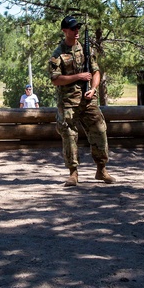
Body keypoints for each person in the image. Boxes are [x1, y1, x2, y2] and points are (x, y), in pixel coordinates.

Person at [48, 15, 113, 186]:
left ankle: (101, 169)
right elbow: (55, 79)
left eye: (78, 28)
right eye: (73, 28)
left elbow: (96, 71)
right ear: (64, 31)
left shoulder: (86, 49)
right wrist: (78, 76)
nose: (76, 31)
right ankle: (73, 172)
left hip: (88, 99)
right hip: (69, 101)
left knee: (99, 130)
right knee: (69, 136)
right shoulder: (58, 54)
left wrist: (93, 88)